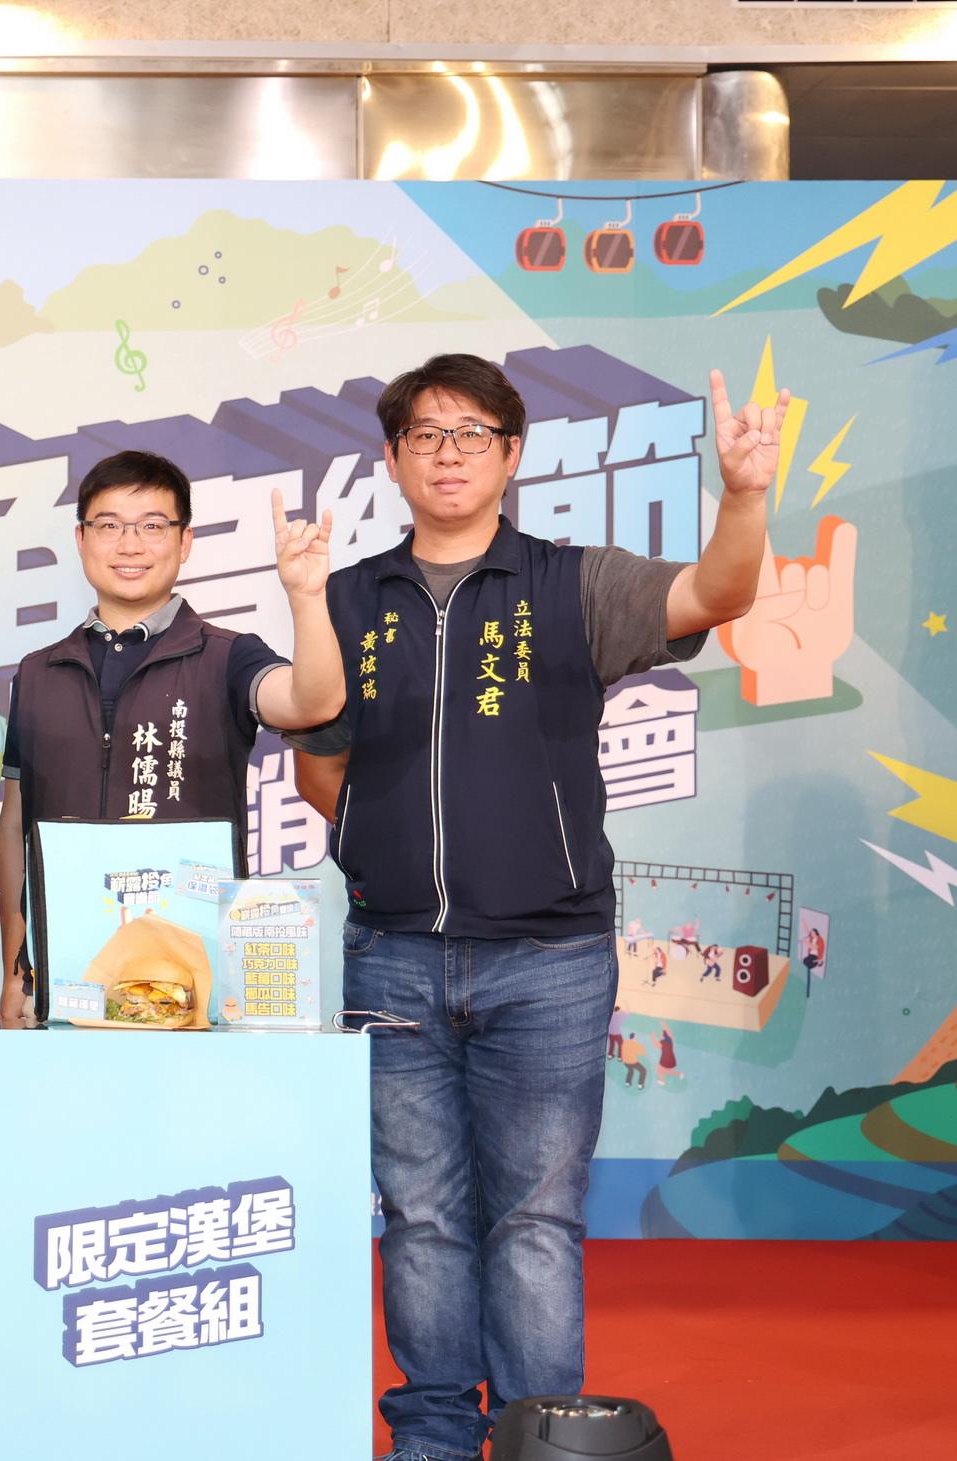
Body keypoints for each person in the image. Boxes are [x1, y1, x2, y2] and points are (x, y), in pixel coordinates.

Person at [290, 355, 782, 1461]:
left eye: (473, 433)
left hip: (548, 962)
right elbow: (320, 761)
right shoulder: (349, 599)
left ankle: (534, 1434)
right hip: (392, 955)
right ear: (392, 459)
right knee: (417, 1216)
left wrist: (744, 496)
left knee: (535, 1219)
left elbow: (715, 594)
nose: (448, 454)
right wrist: (388, 842)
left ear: (511, 455)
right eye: (425, 435)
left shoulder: (572, 585)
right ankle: (429, 1435)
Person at [0, 450, 342, 1026]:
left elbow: (314, 702)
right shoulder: (37, 672)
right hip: (68, 978)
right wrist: (15, 969)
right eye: (109, 525)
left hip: (195, 986)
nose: (130, 545)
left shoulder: (228, 656)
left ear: (184, 543)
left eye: (153, 526)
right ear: (81, 539)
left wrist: (306, 599)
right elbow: (14, 829)